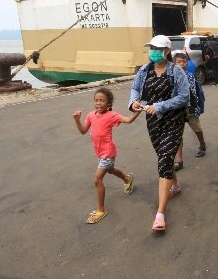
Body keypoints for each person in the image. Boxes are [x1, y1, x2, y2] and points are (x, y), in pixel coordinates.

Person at [129, 35, 190, 232]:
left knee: (164, 159)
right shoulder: (144, 71)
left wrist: (160, 106)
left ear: (166, 51)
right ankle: (175, 185)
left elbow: (184, 97)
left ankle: (160, 214)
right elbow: (135, 89)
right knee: (163, 155)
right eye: (151, 47)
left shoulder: (176, 71)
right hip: (153, 120)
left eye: (156, 48)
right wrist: (134, 102)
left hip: (173, 120)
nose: (152, 51)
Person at [73, 87, 140, 224]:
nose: (98, 103)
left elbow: (127, 120)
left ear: (109, 103)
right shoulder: (91, 115)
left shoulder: (111, 115)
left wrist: (137, 112)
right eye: (96, 100)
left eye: (102, 101)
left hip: (108, 153)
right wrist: (77, 120)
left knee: (97, 180)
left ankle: (100, 209)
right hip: (100, 152)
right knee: (110, 170)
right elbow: (83, 131)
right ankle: (127, 178)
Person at [173, 53, 207, 169]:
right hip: (176, 109)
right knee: (177, 134)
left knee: (196, 128)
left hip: (190, 108)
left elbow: (192, 93)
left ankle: (202, 145)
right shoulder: (171, 77)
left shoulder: (190, 76)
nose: (182, 64)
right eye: (179, 62)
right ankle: (179, 160)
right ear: (174, 63)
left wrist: (194, 107)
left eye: (184, 61)